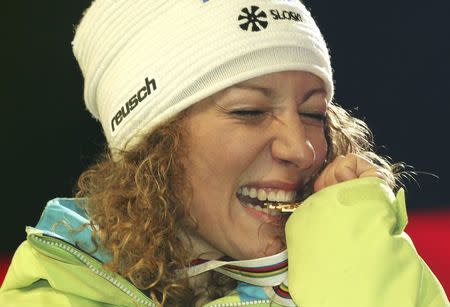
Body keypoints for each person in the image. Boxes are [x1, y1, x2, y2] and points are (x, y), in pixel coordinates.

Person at [1, 1, 448, 306]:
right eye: (250, 110)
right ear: (152, 145)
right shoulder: (55, 291)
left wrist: (351, 250)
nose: (303, 149)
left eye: (313, 112)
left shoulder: (361, 245)